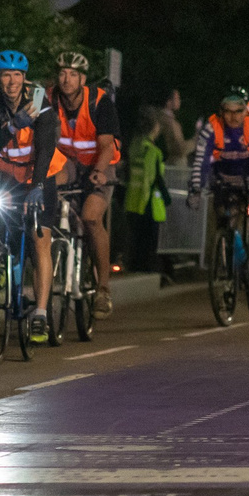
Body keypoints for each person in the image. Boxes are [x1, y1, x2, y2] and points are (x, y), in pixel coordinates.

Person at [0, 48, 60, 335]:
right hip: (7, 174)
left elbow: (45, 147)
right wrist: (13, 126)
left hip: (39, 174)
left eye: (17, 75)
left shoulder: (38, 99)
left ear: (25, 78)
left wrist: (38, 185)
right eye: (6, 75)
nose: (12, 82)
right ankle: (3, 260)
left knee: (40, 237)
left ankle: (40, 312)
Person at [45, 51, 119, 315]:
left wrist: (99, 172)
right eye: (63, 73)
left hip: (100, 163)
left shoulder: (99, 102)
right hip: (68, 163)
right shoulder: (49, 98)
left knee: (90, 218)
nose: (67, 79)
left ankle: (103, 290)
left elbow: (107, 146)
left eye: (73, 74)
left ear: (83, 79)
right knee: (48, 193)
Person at [189, 86, 249, 281]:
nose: (233, 117)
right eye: (228, 111)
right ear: (221, 111)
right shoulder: (211, 127)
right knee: (223, 217)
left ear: (246, 110)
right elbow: (201, 160)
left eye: (238, 111)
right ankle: (229, 259)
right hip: (225, 173)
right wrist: (195, 189)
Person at [121, 108, 169, 276]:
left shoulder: (134, 146)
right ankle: (147, 269)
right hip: (147, 203)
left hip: (131, 200)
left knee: (135, 240)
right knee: (149, 242)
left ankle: (133, 267)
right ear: (154, 128)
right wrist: (167, 198)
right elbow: (156, 179)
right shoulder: (154, 152)